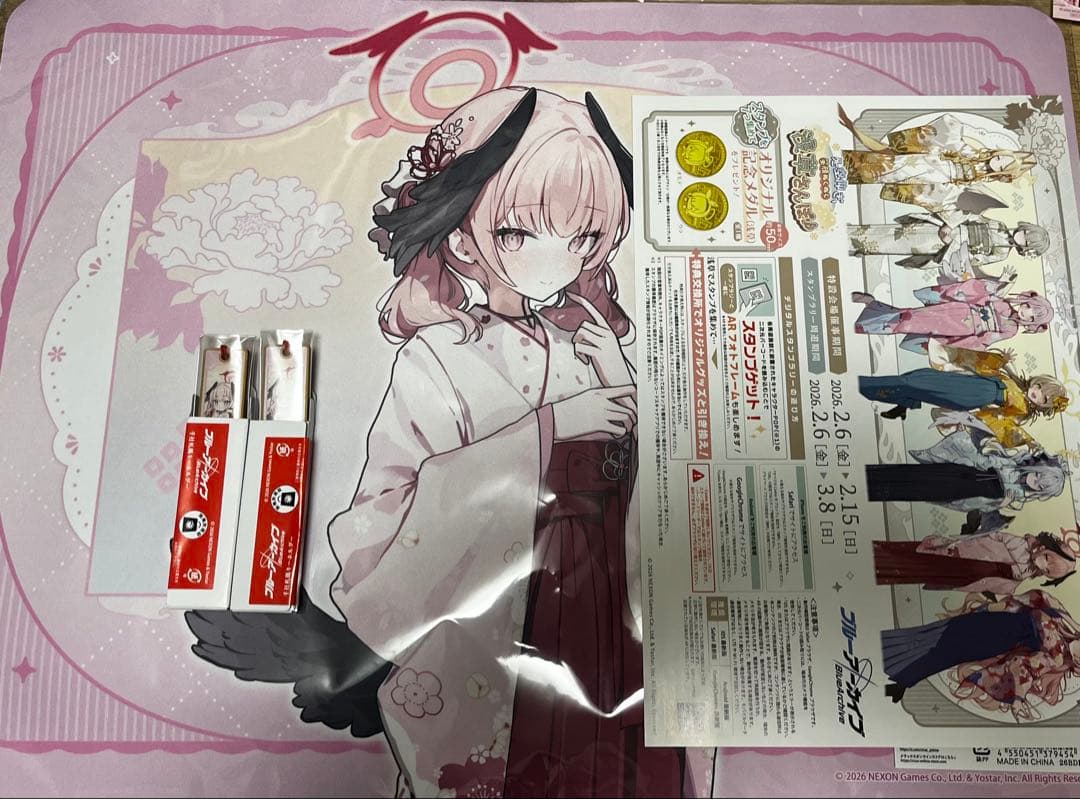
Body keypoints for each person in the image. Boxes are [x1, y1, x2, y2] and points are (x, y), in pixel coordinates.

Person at [320, 87, 695, 798]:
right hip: (501, 621)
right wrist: (548, 433)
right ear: (465, 238)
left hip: (608, 608)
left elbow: (658, 490)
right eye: (521, 232)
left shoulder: (590, 346)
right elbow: (386, 516)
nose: (560, 257)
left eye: (584, 237)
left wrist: (624, 391)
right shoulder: (438, 358)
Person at [881, 590, 1080, 721]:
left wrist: (1018, 698)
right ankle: (891, 655)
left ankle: (900, 681)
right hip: (995, 619)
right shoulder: (1063, 619)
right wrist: (991, 607)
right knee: (942, 631)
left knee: (946, 652)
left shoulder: (1056, 658)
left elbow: (1023, 667)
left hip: (996, 640)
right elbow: (1034, 598)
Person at [859, 344, 1068, 451]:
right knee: (921, 377)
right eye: (1039, 386)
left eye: (1043, 398)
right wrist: (1002, 360)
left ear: (1044, 406)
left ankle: (869, 387)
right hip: (972, 382)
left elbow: (1008, 425)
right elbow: (995, 369)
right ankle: (900, 401)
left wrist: (1028, 441)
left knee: (918, 384)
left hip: (973, 395)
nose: (1037, 392)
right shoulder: (1016, 383)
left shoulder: (1022, 409)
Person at [838, 106, 1037, 214]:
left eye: (1002, 165)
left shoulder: (977, 182)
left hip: (935, 179)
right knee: (885, 160)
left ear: (1003, 174)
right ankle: (844, 156)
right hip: (928, 161)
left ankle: (842, 175)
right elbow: (955, 143)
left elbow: (956, 197)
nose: (998, 160)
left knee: (883, 176)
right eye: (1001, 157)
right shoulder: (972, 153)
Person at [865, 429, 1068, 533]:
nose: (1034, 480)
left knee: (917, 491)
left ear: (1040, 492)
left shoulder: (1017, 498)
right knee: (915, 474)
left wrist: (1001, 503)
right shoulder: (1012, 463)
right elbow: (988, 458)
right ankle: (871, 476)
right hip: (961, 472)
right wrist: (991, 457)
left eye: (1039, 485)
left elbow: (981, 505)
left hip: (962, 491)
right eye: (1038, 475)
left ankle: (874, 491)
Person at [852, 278, 1054, 353]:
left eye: (1031, 317)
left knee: (910, 320)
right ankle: (867, 316)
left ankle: (870, 311)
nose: (1025, 312)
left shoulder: (1011, 330)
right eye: (1028, 307)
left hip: (959, 329)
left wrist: (955, 346)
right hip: (956, 311)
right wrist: (997, 285)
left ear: (1032, 324)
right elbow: (978, 293)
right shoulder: (1003, 301)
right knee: (910, 318)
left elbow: (983, 341)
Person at [873, 528, 1078, 594]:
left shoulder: (1024, 575)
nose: (1043, 566)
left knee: (915, 573)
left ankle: (883, 572)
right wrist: (956, 544)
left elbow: (999, 585)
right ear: (1045, 547)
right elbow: (988, 537)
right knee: (912, 557)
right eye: (1047, 559)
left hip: (965, 575)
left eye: (1047, 571)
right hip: (959, 554)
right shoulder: (1019, 544)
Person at [847, 215, 1049, 281]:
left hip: (942, 247)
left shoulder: (1002, 253)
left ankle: (857, 246)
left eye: (1027, 241)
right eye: (1026, 232)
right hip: (942, 229)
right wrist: (951, 224)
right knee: (899, 231)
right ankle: (853, 232)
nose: (1022, 236)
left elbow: (971, 258)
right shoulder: (999, 224)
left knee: (896, 244)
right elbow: (972, 217)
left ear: (1026, 249)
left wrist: (951, 243)